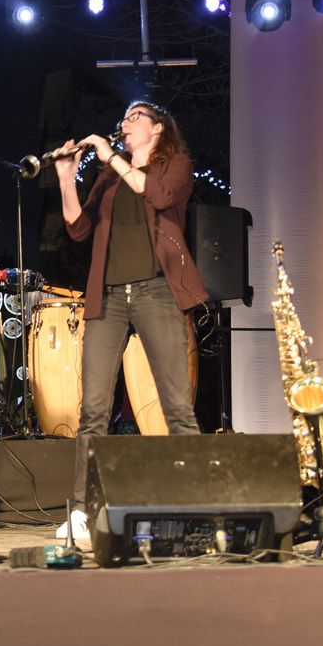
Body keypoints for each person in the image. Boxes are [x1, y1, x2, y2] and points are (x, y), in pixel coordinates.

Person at [53, 100, 209, 547]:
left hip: (157, 291)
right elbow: (78, 228)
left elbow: (158, 196)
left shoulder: (176, 165)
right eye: (122, 118)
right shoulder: (107, 178)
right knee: (93, 411)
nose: (123, 124)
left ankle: (197, 503)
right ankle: (82, 510)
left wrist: (112, 157)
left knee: (177, 406)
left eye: (133, 118)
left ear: (158, 129)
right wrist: (67, 178)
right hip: (108, 297)